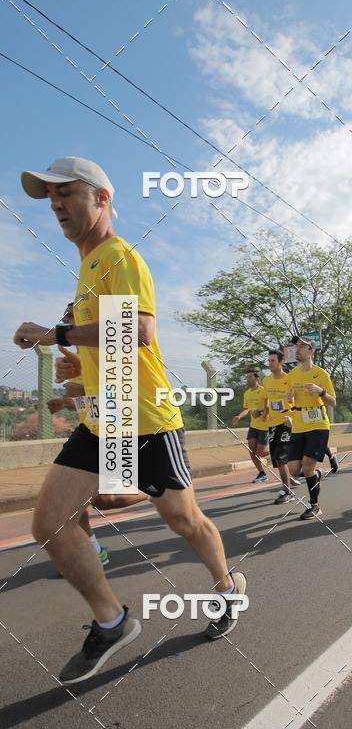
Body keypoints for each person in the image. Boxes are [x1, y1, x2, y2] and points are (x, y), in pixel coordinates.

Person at [15, 156, 245, 684]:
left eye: (67, 193)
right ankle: (112, 621)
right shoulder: (87, 270)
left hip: (147, 421)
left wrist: (55, 335)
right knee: (49, 523)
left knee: (183, 521)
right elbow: (109, 353)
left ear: (102, 198)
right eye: (51, 198)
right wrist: (77, 371)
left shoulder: (118, 256)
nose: (56, 205)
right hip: (104, 421)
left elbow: (137, 332)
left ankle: (227, 586)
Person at [47, 302, 149, 569]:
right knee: (69, 497)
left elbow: (115, 402)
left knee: (105, 499)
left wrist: (76, 395)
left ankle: (156, 490)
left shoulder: (108, 353)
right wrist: (65, 402)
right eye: (65, 316)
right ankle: (95, 551)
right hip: (89, 432)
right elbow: (89, 402)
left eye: (71, 316)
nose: (66, 321)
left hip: (117, 430)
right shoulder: (79, 356)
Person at [286, 335, 336, 519]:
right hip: (299, 424)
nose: (297, 349)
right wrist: (289, 398)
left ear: (311, 351)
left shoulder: (321, 374)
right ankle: (316, 474)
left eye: (302, 346)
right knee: (293, 470)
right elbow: (290, 400)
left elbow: (333, 402)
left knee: (307, 468)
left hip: (318, 424)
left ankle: (314, 505)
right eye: (296, 346)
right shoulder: (292, 374)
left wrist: (320, 391)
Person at [262, 349, 294, 504]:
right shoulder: (266, 381)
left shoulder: (290, 379)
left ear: (281, 362)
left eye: (273, 360)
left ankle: (288, 492)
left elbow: (298, 400)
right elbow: (266, 399)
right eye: (269, 361)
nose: (270, 363)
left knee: (281, 459)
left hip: (287, 423)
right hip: (272, 424)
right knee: (277, 459)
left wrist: (292, 416)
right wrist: (264, 412)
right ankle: (307, 474)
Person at [232, 370, 271, 482]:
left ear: (257, 378)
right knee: (251, 450)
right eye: (247, 377)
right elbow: (246, 409)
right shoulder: (247, 393)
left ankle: (277, 449)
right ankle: (262, 473)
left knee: (259, 453)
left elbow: (269, 407)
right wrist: (239, 416)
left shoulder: (264, 391)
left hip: (265, 426)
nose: (247, 379)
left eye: (250, 377)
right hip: (253, 426)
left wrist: (260, 412)